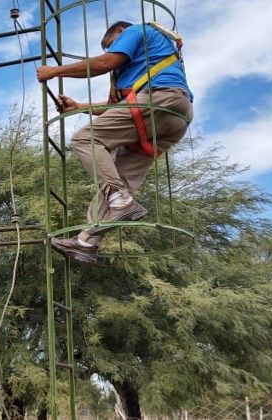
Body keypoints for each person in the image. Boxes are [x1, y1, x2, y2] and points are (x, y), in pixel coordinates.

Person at [36, 20, 194, 263]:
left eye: (113, 44)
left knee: (86, 138)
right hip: (175, 115)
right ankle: (87, 242)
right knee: (117, 178)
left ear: (119, 32)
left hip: (160, 99)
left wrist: (54, 71)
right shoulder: (144, 65)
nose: (114, 50)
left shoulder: (136, 30)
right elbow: (115, 109)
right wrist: (79, 107)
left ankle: (120, 200)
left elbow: (104, 63)